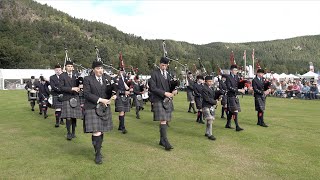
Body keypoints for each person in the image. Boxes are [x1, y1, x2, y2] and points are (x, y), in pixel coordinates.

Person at [83, 61, 117, 164]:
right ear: (93, 70)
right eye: (98, 68)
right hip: (92, 107)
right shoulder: (87, 79)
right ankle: (97, 154)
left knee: (101, 131)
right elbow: (87, 94)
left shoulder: (106, 79)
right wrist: (100, 99)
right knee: (96, 131)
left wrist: (115, 93)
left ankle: (98, 149)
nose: (100, 70)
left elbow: (111, 90)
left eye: (101, 68)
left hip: (103, 108)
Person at [149, 57, 178, 151]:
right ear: (160, 64)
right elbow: (152, 88)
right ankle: (165, 141)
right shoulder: (154, 74)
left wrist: (174, 90)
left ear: (167, 65)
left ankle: (162, 140)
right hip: (158, 99)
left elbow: (171, 86)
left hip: (167, 100)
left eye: (165, 65)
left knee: (165, 120)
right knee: (163, 120)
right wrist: (164, 93)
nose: (164, 67)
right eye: (162, 65)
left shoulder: (169, 74)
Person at [59, 60, 83, 140]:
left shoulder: (76, 76)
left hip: (75, 98)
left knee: (74, 117)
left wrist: (80, 87)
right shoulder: (62, 76)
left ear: (73, 67)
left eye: (71, 66)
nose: (70, 67)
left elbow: (79, 86)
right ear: (65, 67)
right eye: (68, 66)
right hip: (67, 97)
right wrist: (72, 88)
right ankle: (68, 133)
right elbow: (61, 88)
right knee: (68, 117)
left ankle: (73, 133)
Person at [225, 65, 246, 131]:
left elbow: (238, 85)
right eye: (234, 70)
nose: (236, 71)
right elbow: (229, 87)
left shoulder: (237, 77)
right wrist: (238, 90)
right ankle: (237, 126)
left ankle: (228, 124)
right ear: (231, 70)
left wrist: (243, 86)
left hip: (235, 95)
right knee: (235, 110)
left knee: (231, 111)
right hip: (230, 95)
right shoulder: (228, 77)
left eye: (236, 70)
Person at [115, 68, 132, 134]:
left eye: (123, 71)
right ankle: (123, 128)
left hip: (126, 97)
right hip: (119, 97)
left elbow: (129, 86)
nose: (122, 72)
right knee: (121, 112)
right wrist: (123, 92)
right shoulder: (116, 79)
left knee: (123, 112)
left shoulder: (126, 79)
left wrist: (130, 89)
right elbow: (116, 90)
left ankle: (120, 126)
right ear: (118, 71)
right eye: (121, 71)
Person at [201, 76, 218, 140]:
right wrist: (215, 102)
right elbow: (206, 99)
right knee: (210, 119)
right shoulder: (204, 88)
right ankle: (210, 134)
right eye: (209, 81)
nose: (211, 82)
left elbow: (213, 96)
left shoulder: (211, 88)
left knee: (210, 120)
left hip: (211, 106)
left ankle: (207, 132)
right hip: (206, 105)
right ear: (206, 81)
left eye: (211, 81)